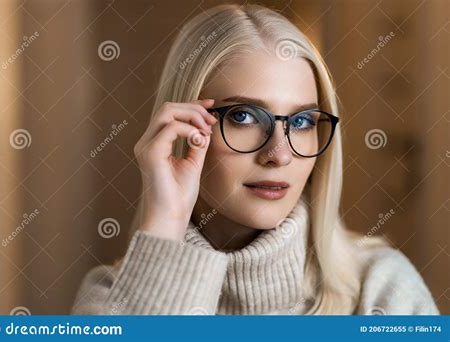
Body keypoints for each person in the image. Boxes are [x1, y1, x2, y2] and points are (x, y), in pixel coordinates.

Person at [70, 4, 439, 315]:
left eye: (301, 122)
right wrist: (166, 222)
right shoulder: (110, 298)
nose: (279, 154)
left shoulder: (382, 291)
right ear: (184, 127)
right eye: (243, 116)